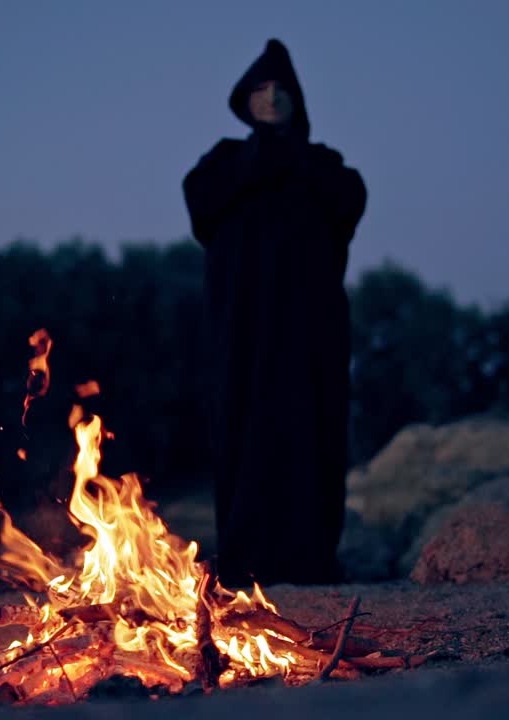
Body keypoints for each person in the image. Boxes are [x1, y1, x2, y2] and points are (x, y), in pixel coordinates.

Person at [182, 39, 367, 586]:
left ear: (297, 99)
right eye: (260, 89)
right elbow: (201, 204)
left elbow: (350, 200)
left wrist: (290, 162)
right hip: (241, 333)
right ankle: (244, 564)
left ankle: (312, 560)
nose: (271, 98)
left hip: (312, 334)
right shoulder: (222, 164)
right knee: (243, 431)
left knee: (313, 433)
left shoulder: (324, 168)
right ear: (244, 101)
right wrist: (262, 163)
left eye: (281, 88)